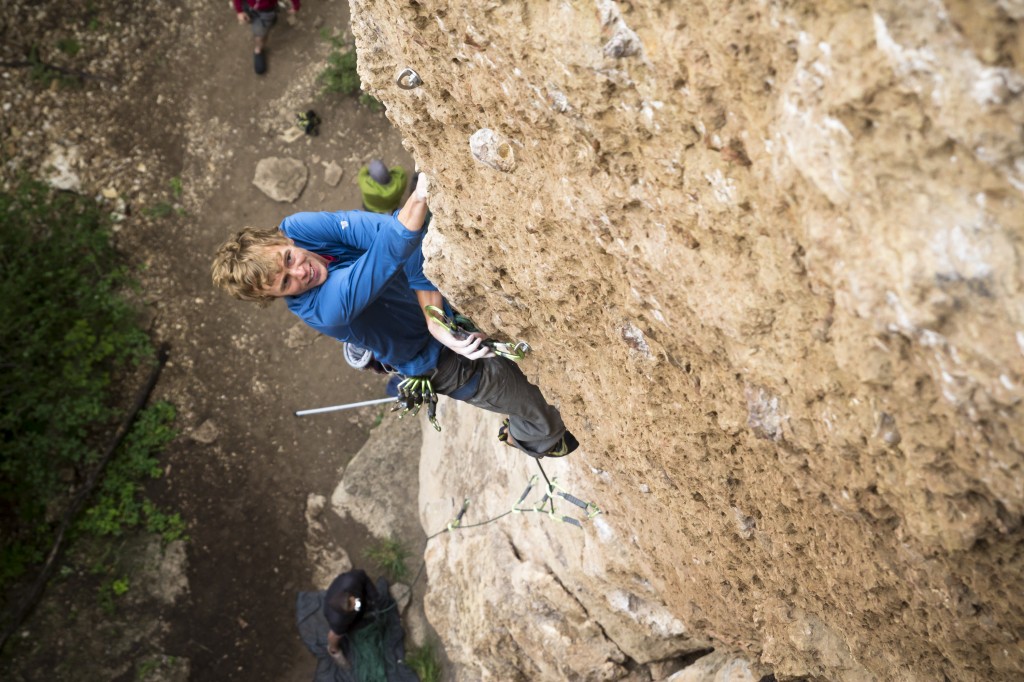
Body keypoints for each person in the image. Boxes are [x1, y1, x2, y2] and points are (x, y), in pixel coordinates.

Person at [210, 176, 578, 458]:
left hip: (431, 305)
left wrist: (434, 315)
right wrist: (418, 198)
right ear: (273, 298)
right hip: (438, 363)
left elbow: (395, 234)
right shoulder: (325, 311)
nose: (300, 273)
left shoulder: (299, 227)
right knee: (541, 415)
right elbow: (394, 244)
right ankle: (524, 437)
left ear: (281, 240)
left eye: (288, 260)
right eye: (285, 284)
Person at [323, 569, 380, 668]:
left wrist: (374, 597)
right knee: (356, 625)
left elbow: (364, 576)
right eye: (351, 607)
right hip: (345, 618)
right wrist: (335, 650)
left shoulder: (352, 580)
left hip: (352, 591)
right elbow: (333, 636)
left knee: (368, 604)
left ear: (348, 594)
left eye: (352, 601)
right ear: (344, 613)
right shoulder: (338, 621)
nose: (355, 604)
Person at [231, 0, 300, 75]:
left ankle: (258, 49)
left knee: (260, 33)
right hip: (249, 5)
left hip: (266, 11)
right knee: (251, 19)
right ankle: (262, 19)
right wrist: (239, 11)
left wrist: (296, 6)